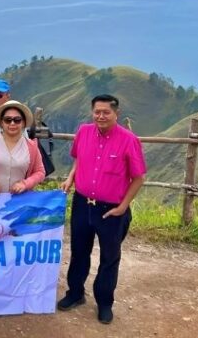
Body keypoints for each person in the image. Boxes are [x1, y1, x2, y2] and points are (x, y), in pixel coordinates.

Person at [57, 94, 147, 325]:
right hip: (82, 203)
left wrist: (123, 206)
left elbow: (139, 177)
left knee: (109, 258)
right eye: (97, 111)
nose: (100, 116)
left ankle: (105, 303)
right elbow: (77, 160)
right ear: (92, 112)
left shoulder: (129, 140)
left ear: (116, 113)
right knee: (78, 252)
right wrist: (70, 179)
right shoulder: (84, 132)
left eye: (106, 112)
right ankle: (75, 293)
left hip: (111, 210)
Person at [0, 100, 46, 195]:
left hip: (18, 202)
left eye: (17, 120)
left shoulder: (32, 147)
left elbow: (40, 172)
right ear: (1, 123)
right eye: (8, 120)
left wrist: (25, 184)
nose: (12, 123)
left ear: (23, 123)